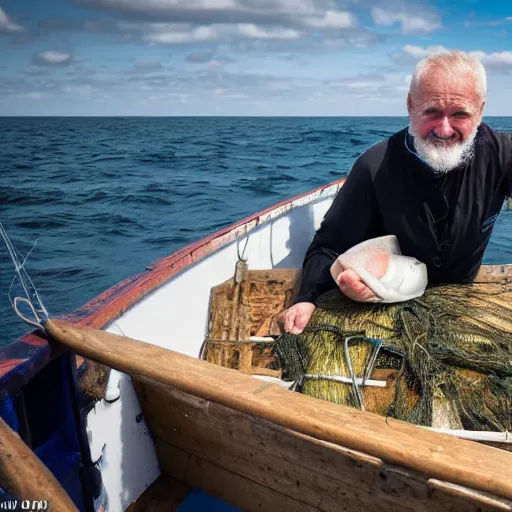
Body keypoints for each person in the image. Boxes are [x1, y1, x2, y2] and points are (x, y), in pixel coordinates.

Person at [283, 49, 512, 335]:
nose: (444, 128)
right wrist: (308, 298)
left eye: (459, 114)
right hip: (383, 299)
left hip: (459, 300)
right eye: (432, 112)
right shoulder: (374, 166)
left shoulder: (502, 155)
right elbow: (328, 246)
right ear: (410, 104)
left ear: (479, 111)